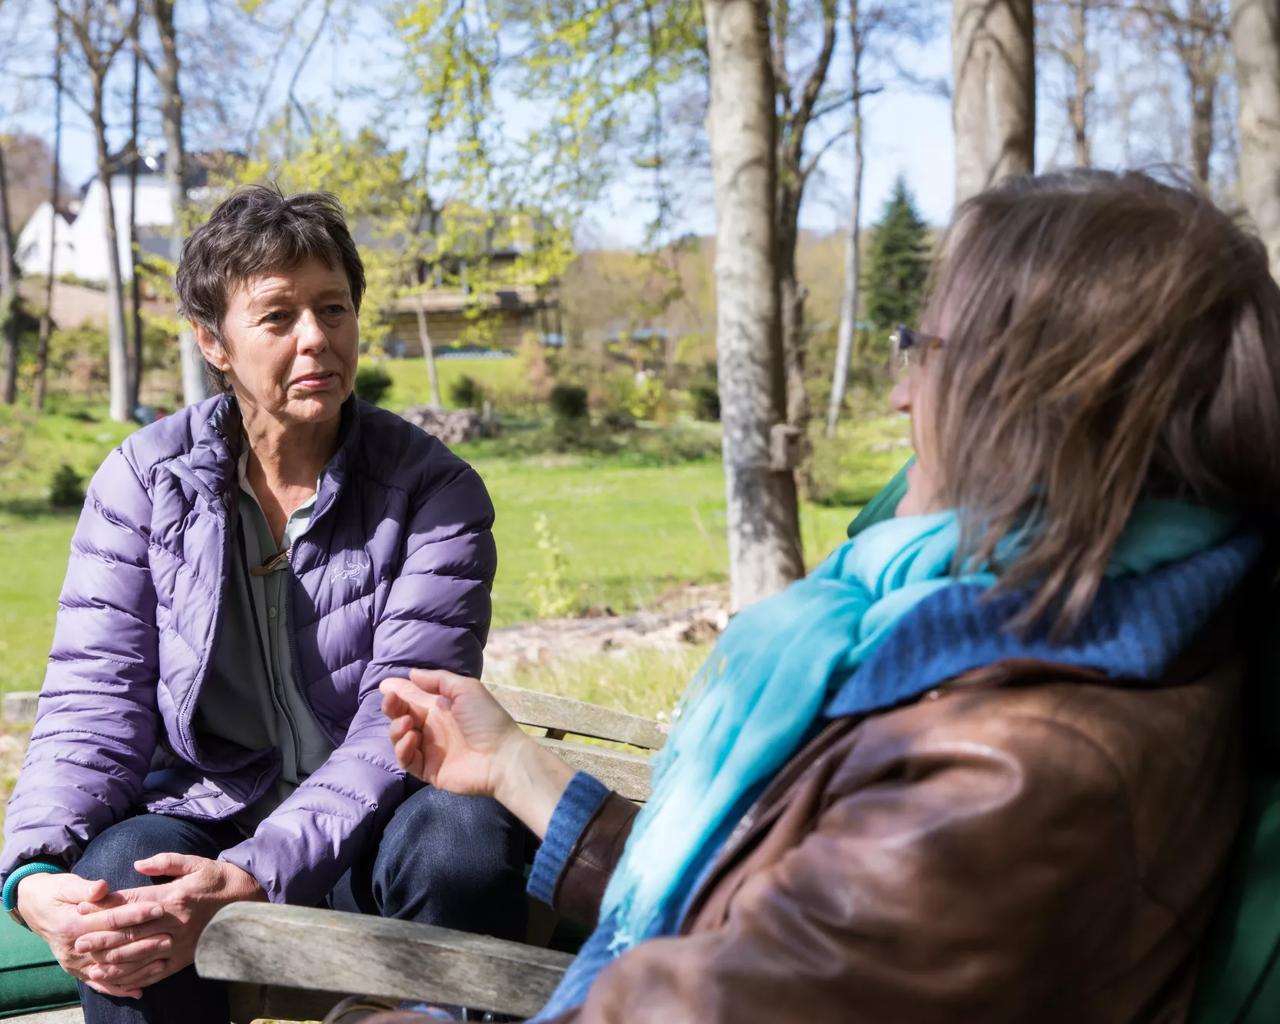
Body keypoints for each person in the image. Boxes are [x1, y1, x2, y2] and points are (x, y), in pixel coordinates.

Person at [371, 169, 1280, 1023]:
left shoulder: (1021, 771)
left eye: (920, 351)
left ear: (1026, 405)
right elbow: (759, 910)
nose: (898, 396)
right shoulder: (1017, 651)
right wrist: (515, 767)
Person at [0, 186, 528, 1024]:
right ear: (214, 341)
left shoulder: (435, 493)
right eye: (278, 317)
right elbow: (92, 699)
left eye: (334, 308)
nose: (317, 337)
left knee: (464, 841)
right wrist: (33, 874)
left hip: (377, 825)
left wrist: (253, 875)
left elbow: (399, 727)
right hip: (211, 810)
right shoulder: (141, 482)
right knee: (125, 882)